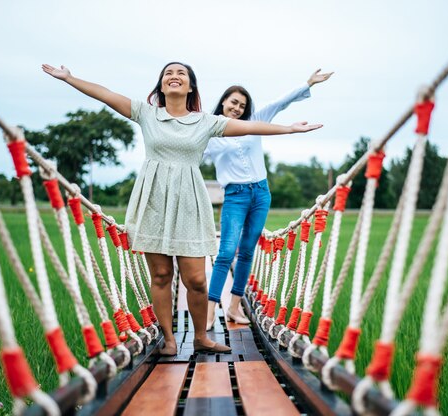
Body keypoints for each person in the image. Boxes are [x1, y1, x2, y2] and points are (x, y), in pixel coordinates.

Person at [42, 62, 322, 355]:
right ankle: (170, 340)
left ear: (190, 88)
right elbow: (105, 94)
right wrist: (70, 79)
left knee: (196, 279)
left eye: (181, 74)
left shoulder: (206, 122)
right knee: (161, 275)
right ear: (161, 86)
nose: (174, 77)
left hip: (190, 201)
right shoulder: (146, 113)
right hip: (153, 199)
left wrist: (289, 129)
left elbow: (252, 126)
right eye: (168, 74)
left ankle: (201, 337)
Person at [204, 69, 333, 329]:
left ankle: (234, 307)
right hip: (235, 196)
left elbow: (279, 103)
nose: (238, 108)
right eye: (233, 102)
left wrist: (307, 83)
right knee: (227, 252)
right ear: (223, 102)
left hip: (261, 194)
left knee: (247, 252)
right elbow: (190, 154)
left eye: (242, 104)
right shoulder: (209, 130)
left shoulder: (255, 120)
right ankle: (209, 313)